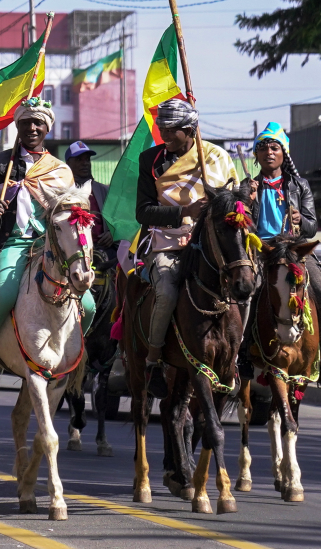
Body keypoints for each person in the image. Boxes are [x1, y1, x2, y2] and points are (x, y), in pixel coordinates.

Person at [0, 98, 96, 385]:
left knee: (88, 305)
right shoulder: (1, 163)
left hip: (49, 246)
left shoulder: (61, 171)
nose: (32, 128)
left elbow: (70, 213)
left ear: (47, 128)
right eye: (26, 122)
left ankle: (71, 351)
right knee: (3, 294)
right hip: (13, 243)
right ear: (18, 126)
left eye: (38, 123)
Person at [135, 98, 237, 398]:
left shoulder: (215, 157)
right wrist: (184, 212)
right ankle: (154, 359)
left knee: (245, 284)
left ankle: (240, 357)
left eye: (171, 129)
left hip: (209, 244)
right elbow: (143, 211)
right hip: (165, 241)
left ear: (190, 130)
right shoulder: (150, 160)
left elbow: (233, 205)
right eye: (161, 127)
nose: (164, 134)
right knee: (166, 290)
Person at [65, 141, 116, 257]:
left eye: (87, 159)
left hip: (104, 250)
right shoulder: (64, 191)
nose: (85, 164)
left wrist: (113, 233)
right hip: (73, 252)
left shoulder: (103, 190)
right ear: (68, 164)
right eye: (79, 160)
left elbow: (119, 220)